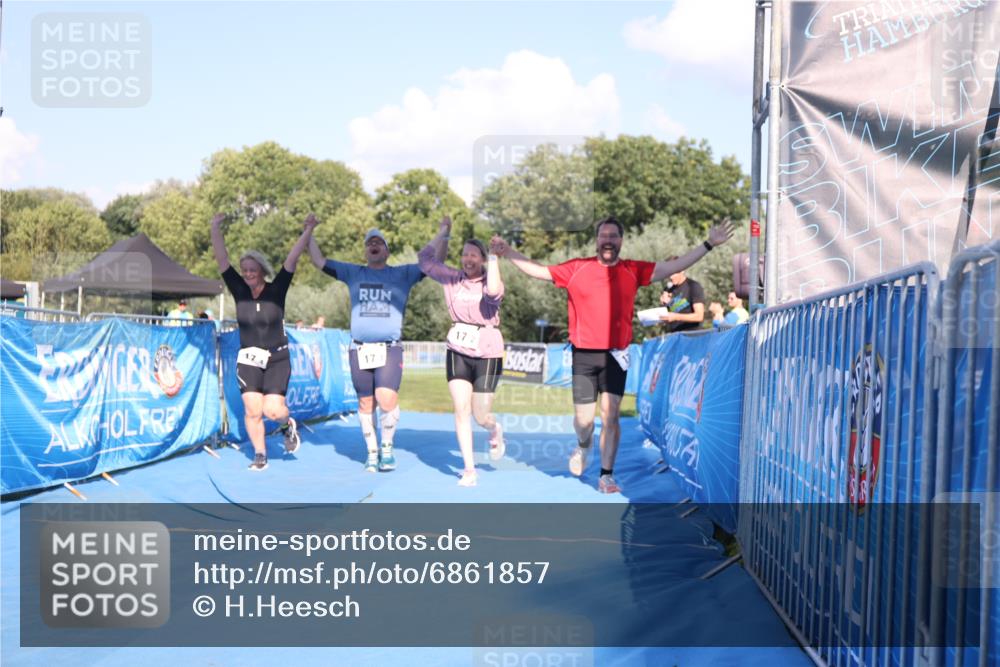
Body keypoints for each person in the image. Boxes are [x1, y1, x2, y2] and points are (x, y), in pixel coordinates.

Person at [492, 216, 733, 493]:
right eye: (603, 235)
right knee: (583, 420)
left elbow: (675, 265)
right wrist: (508, 252)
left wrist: (708, 244)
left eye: (613, 236)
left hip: (616, 355)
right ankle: (584, 445)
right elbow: (539, 271)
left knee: (611, 415)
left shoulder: (633, 270)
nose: (608, 240)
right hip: (583, 356)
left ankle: (606, 474)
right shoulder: (577, 269)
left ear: (621, 240)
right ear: (597, 240)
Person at [308, 226, 445, 473]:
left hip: (389, 348)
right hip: (359, 349)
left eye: (379, 242)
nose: (374, 245)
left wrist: (444, 233)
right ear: (365, 251)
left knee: (386, 397)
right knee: (365, 403)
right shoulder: (353, 272)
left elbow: (434, 261)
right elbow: (318, 261)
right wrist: (308, 231)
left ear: (387, 250)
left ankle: (387, 447)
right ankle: (372, 452)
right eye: (369, 242)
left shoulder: (403, 274)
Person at [211, 212, 316, 471]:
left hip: (277, 358)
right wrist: (215, 227)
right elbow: (221, 259)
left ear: (261, 271)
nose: (247, 274)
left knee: (273, 410)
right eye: (245, 270)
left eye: (252, 270)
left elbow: (292, 258)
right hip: (249, 357)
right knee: (252, 410)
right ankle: (260, 455)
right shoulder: (239, 289)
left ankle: (286, 424)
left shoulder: (277, 288)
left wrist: (308, 230)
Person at [418, 216, 505, 487]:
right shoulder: (451, 279)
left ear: (481, 258)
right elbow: (424, 259)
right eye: (465, 254)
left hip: (487, 351)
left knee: (481, 415)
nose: (468, 259)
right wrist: (444, 231)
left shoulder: (491, 280)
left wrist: (493, 258)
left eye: (474, 255)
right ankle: (469, 469)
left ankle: (494, 429)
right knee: (460, 409)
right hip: (457, 348)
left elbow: (492, 291)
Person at [658, 265, 706, 333]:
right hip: (675, 337)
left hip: (692, 336)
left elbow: (699, 316)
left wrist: (676, 317)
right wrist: (663, 304)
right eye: (668, 274)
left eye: (673, 273)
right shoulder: (668, 290)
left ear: (682, 270)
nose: (670, 277)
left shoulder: (693, 286)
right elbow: (664, 321)